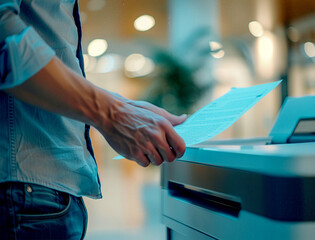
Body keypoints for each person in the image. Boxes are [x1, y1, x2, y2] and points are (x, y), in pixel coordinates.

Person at [0, 0, 187, 239]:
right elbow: (6, 38)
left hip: (43, 194)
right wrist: (113, 113)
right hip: (23, 194)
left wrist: (125, 107)